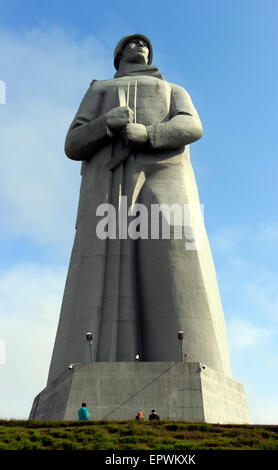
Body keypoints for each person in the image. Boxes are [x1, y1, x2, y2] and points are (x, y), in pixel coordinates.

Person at [47, 33, 232, 385]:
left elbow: (192, 125)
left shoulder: (173, 89)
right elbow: (73, 143)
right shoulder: (99, 90)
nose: (139, 45)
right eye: (131, 43)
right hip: (107, 187)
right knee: (100, 278)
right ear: (118, 55)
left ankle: (190, 365)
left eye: (144, 43)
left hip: (166, 176)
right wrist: (107, 123)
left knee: (178, 260)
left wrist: (147, 134)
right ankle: (92, 364)